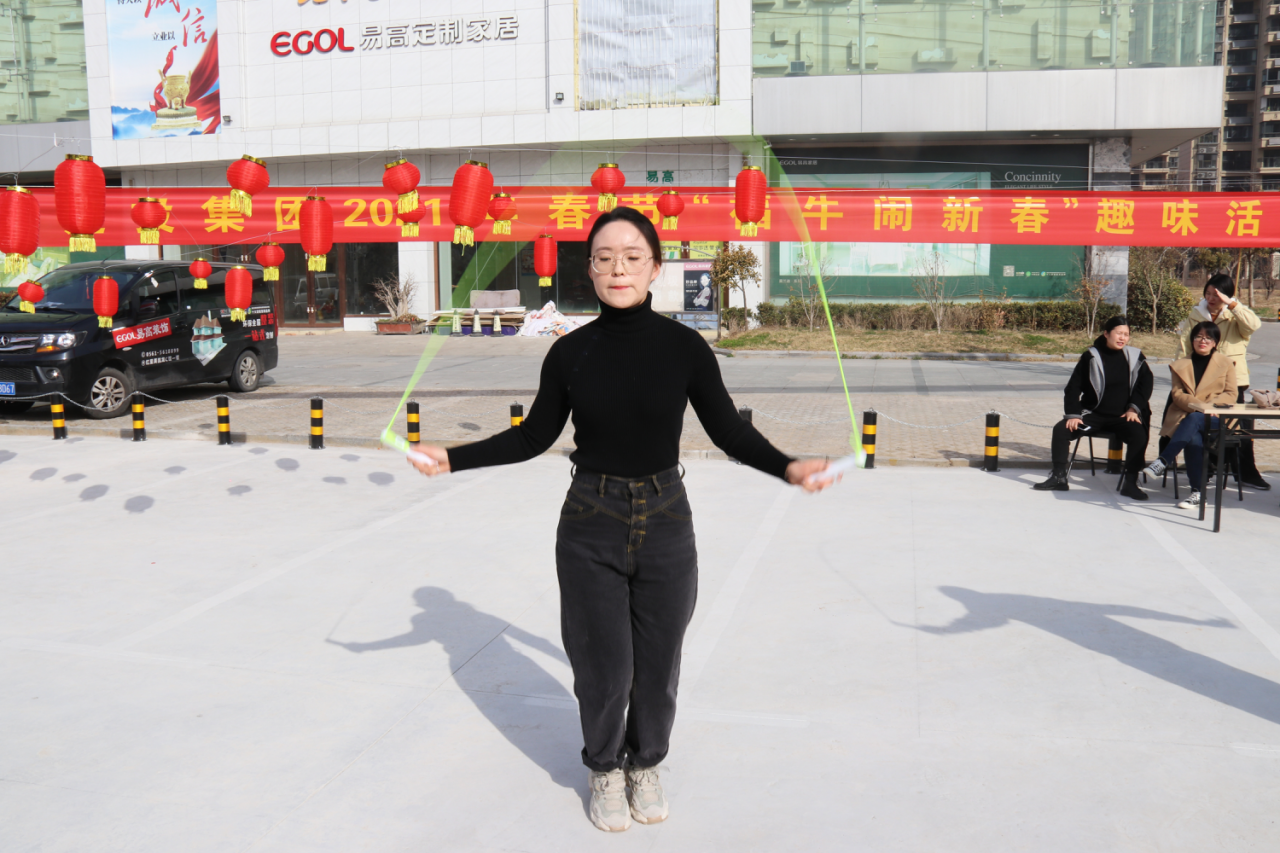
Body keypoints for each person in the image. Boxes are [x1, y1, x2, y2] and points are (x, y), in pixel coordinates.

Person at [406, 206, 834, 833]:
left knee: (658, 668)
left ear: (655, 268)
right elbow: (532, 437)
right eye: (605, 258)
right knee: (603, 669)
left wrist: (787, 467)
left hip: (666, 519)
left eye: (633, 257)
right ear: (590, 270)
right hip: (591, 520)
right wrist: (454, 457)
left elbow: (729, 432)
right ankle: (604, 767)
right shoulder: (569, 353)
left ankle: (646, 762)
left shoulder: (685, 349)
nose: (618, 269)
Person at [1034, 316, 1154, 499]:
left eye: (1126, 334)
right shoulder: (1091, 357)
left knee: (1139, 435)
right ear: (1106, 334)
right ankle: (1058, 477)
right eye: (1118, 333)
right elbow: (1073, 388)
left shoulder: (1135, 357)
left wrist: (1133, 409)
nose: (1122, 338)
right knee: (1061, 430)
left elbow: (1145, 385)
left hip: (1123, 417)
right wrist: (1074, 414)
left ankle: (1130, 483)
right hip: (1093, 415)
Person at [1176, 273, 1267, 489]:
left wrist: (1232, 304)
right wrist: (1182, 375)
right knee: (1203, 425)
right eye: (1207, 293)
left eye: (1216, 295)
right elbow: (1184, 346)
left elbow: (1254, 325)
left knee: (1239, 431)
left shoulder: (1236, 315)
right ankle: (1205, 468)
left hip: (1232, 381)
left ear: (1227, 295)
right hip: (1202, 381)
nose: (1210, 298)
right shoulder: (1197, 314)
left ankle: (1246, 473)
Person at [1140, 321, 1236, 510]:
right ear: (1192, 340)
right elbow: (1177, 395)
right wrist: (1199, 408)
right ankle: (1198, 493)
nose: (1203, 341)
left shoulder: (1226, 363)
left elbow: (1231, 393)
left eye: (1208, 338)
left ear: (1215, 342)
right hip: (1188, 417)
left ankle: (1163, 461)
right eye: (1198, 336)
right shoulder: (1180, 365)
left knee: (1193, 420)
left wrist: (1208, 407)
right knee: (1193, 437)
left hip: (1217, 418)